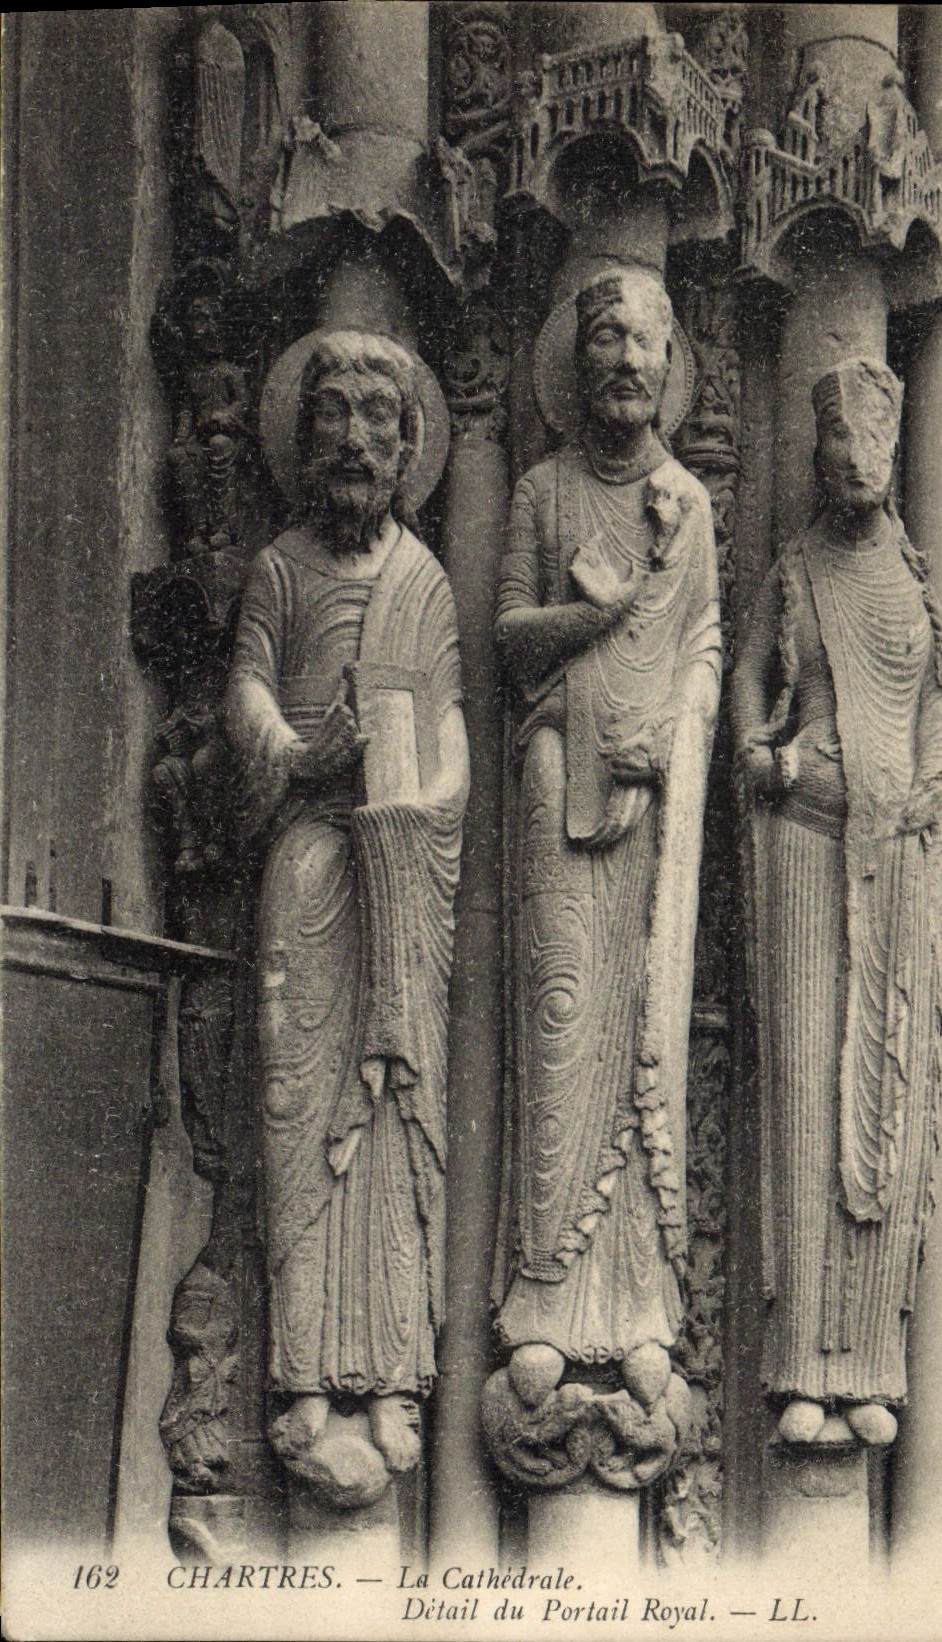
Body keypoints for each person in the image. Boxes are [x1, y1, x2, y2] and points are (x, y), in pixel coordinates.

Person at [224, 330, 468, 1479]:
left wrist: (421, 808)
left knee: (393, 1111)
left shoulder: (423, 580)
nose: (359, 438)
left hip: (397, 875)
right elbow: (248, 693)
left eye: (381, 418)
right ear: (306, 434)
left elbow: (451, 728)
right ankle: (307, 1370)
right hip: (310, 865)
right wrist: (304, 754)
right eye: (337, 415)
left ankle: (394, 1376)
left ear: (410, 441)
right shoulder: (279, 567)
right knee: (295, 1101)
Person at [491, 268, 722, 1415]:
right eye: (606, 339)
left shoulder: (690, 507)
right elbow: (511, 641)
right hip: (550, 784)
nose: (627, 359)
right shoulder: (541, 492)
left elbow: (709, 649)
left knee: (644, 1031)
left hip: (648, 798)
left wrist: (675, 735)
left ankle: (639, 1308)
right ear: (575, 363)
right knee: (559, 1023)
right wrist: (595, 616)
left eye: (646, 341)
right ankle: (542, 1298)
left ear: (672, 364)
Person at [733, 356, 942, 1446]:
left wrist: (926, 780)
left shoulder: (914, 580)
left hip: (897, 859)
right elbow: (747, 688)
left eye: (877, 445)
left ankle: (868, 1361)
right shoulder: (795, 569)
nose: (860, 461)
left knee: (889, 1098)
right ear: (818, 455)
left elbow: (941, 704)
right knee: (808, 1093)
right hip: (808, 849)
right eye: (841, 445)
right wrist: (760, 750)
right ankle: (797, 1365)